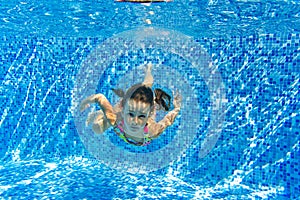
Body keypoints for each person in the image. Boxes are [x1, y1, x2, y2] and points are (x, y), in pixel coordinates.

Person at [80, 63, 181, 146]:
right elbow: (99, 97)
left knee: (147, 86)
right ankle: (101, 113)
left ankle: (149, 68)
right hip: (123, 111)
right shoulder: (116, 119)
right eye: (131, 115)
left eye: (141, 116)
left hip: (138, 108)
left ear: (149, 114)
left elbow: (168, 120)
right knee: (97, 128)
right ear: (123, 111)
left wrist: (177, 108)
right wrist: (84, 102)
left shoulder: (152, 131)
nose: (135, 122)